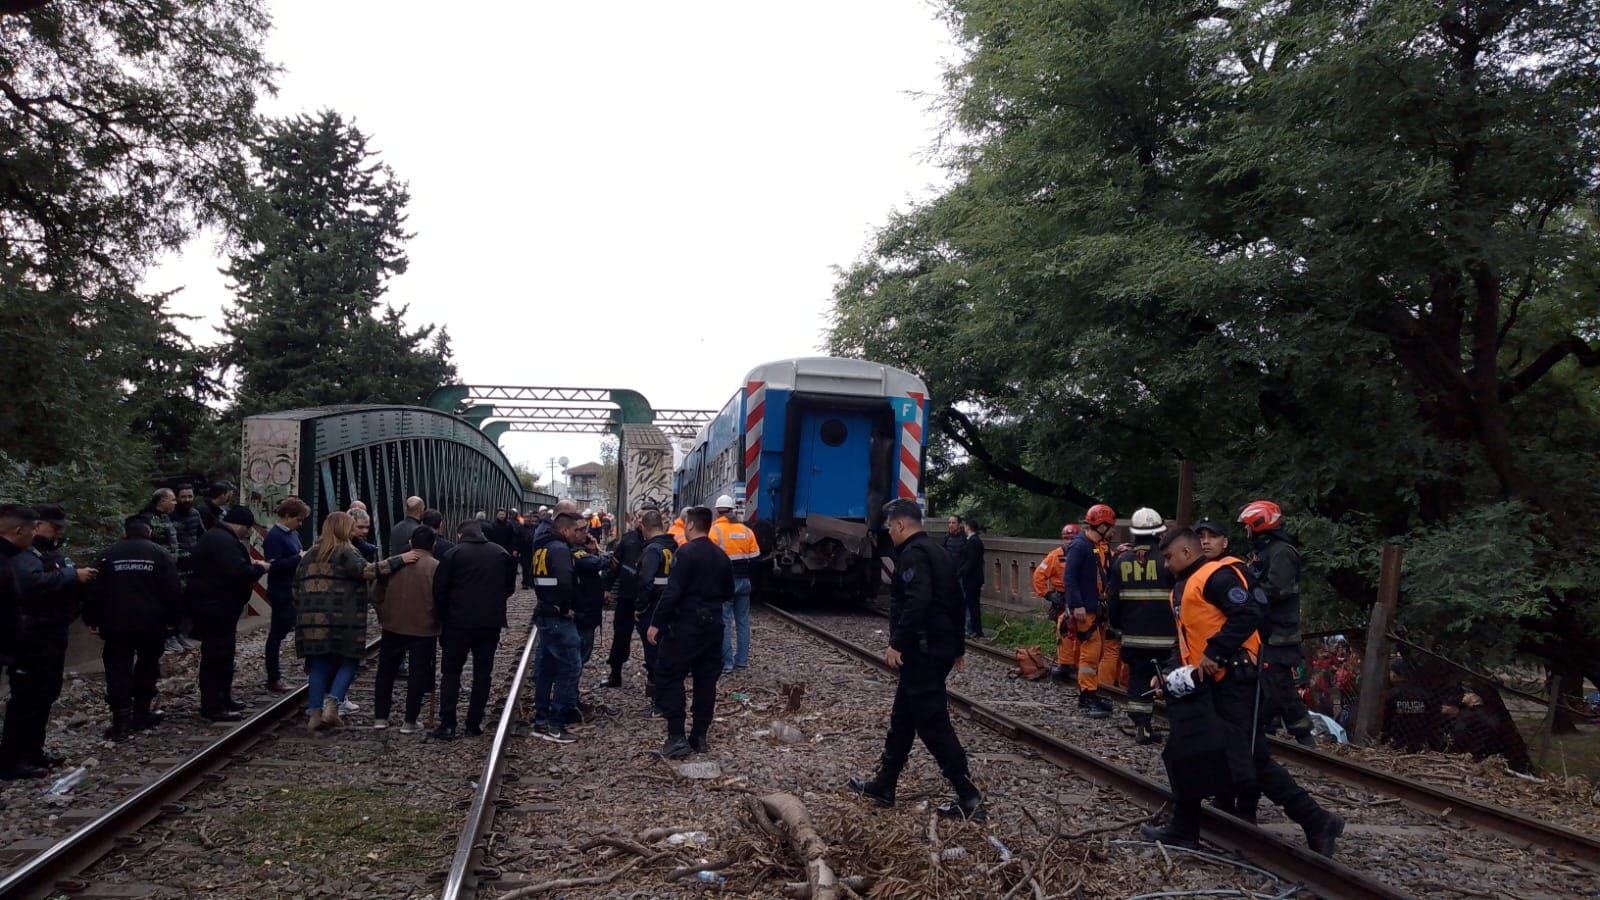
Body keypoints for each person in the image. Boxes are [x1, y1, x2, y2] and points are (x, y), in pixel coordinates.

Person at [1141, 527, 1343, 855]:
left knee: (1247, 758)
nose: (1166, 564)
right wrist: (1168, 672)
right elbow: (1191, 637)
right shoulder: (1185, 586)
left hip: (1232, 683)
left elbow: (1250, 612)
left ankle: (1316, 820)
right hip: (1207, 685)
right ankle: (1185, 826)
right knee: (1186, 752)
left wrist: (1218, 652)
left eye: (1168, 558)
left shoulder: (1216, 576)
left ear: (1186, 554)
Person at [848, 498, 984, 820]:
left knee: (932, 722)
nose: (889, 534)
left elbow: (917, 601)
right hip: (937, 648)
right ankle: (885, 784)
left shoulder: (912, 556)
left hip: (922, 651)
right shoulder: (939, 551)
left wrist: (897, 643)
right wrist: (959, 647)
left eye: (889, 528)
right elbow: (958, 600)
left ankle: (969, 796)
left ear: (899, 525)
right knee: (903, 717)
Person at [0, 505, 95, 777]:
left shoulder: (38, 554)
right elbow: (31, 584)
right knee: (27, 699)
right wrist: (70, 576)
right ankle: (12, 759)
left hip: (47, 633)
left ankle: (31, 752)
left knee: (44, 695)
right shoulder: (18, 557)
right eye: (54, 528)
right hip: (31, 637)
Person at [646, 506, 732, 759]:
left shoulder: (685, 553)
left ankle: (676, 736)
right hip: (714, 624)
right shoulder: (721, 555)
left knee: (669, 673)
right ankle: (700, 735)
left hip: (687, 624)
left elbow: (673, 591)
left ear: (691, 525)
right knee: (706, 680)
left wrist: (656, 623)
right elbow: (728, 592)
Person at [87, 517, 181, 741]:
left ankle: (120, 723)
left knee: (117, 671)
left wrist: (91, 618)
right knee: (147, 667)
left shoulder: (109, 554)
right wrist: (173, 621)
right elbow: (172, 590)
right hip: (151, 624)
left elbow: (95, 588)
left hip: (116, 624)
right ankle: (142, 713)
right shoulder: (160, 554)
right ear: (148, 532)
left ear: (125, 533)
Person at [1239, 500, 1316, 749]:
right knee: (1263, 682)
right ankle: (1260, 728)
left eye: (1248, 526)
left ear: (1259, 524)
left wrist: (1247, 592)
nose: (1246, 532)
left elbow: (1276, 589)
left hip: (1280, 633)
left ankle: (1303, 734)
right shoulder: (1264, 552)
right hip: (1266, 632)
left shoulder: (1281, 552)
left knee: (1278, 684)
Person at [432, 520, 515, 739]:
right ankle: (473, 724)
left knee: (450, 673)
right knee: (482, 674)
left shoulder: (453, 554)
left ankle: (448, 723)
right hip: (489, 623)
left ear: (461, 535)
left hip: (457, 623)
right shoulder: (501, 554)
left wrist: (444, 617)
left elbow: (439, 590)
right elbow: (509, 588)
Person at [187, 506, 270, 722]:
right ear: (241, 525)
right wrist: (261, 569)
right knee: (217, 657)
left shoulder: (216, 537)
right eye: (248, 529)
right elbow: (238, 573)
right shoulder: (223, 541)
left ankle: (223, 699)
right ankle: (213, 705)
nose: (248, 533)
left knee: (221, 656)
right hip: (217, 608)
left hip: (215, 606)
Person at [293, 511, 374, 732]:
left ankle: (314, 714)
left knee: (319, 664)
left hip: (310, 620)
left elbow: (296, 587)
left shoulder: (310, 554)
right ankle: (333, 703)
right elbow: (367, 571)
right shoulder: (346, 552)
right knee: (350, 660)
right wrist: (400, 560)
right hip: (342, 619)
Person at [1105, 508, 1176, 744]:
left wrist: (1117, 627)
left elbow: (1113, 601)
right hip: (1168, 637)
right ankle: (1180, 728)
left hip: (1134, 636)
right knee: (1172, 680)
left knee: (1138, 679)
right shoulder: (1169, 561)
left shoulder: (1121, 561)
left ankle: (1142, 727)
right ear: (1159, 532)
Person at [368, 526, 439, 733]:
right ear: (433, 545)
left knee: (385, 672)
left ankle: (380, 717)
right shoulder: (436, 566)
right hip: (424, 629)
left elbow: (375, 595)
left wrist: (384, 613)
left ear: (410, 542)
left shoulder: (395, 563)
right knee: (418, 675)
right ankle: (409, 721)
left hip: (393, 625)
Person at [529, 511, 587, 742]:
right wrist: (564, 608)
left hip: (544, 612)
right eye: (575, 530)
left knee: (546, 668)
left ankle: (541, 719)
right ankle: (556, 723)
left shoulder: (541, 548)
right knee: (571, 668)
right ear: (564, 530)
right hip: (558, 619)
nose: (578, 534)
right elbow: (564, 581)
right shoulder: (561, 550)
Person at [1063, 503, 1117, 717]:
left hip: (1095, 608)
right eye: (1111, 526)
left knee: (1096, 651)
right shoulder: (1081, 546)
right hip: (1085, 609)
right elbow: (1070, 577)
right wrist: (1076, 605)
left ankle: (1091, 693)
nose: (1113, 531)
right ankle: (1087, 696)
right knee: (1090, 652)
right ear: (1101, 526)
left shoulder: (1097, 547)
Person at [262, 497, 309, 693]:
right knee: (277, 633)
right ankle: (274, 677)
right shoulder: (275, 537)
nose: (300, 524)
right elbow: (273, 565)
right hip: (281, 589)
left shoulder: (292, 534)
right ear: (287, 516)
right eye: (298, 520)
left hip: (293, 588)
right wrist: (298, 558)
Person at [708, 495, 759, 674]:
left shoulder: (714, 531)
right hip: (744, 581)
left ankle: (727, 664)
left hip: (724, 583)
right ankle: (742, 661)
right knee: (743, 622)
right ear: (732, 510)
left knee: (725, 621)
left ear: (717, 511)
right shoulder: (746, 531)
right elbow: (755, 557)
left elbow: (710, 558)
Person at [633, 510, 676, 712]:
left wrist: (640, 607)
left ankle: (659, 701)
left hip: (652, 609)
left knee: (654, 655)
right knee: (666, 653)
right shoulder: (672, 547)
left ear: (644, 527)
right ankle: (666, 696)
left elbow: (645, 581)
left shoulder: (652, 550)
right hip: (669, 607)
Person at [604, 507, 651, 687]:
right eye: (639, 517)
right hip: (626, 597)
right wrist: (606, 587)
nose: (640, 521)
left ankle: (653, 679)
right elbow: (615, 564)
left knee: (651, 639)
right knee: (621, 636)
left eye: (644, 518)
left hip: (648, 600)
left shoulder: (658, 542)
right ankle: (615, 674)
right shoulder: (628, 540)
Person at [1033, 523, 1082, 683]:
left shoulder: (1087, 554)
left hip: (1081, 598)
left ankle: (1077, 664)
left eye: (1072, 538)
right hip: (1062, 599)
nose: (1069, 541)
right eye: (1066, 538)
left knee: (1083, 633)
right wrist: (1047, 594)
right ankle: (1065, 665)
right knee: (1065, 632)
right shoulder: (1055, 556)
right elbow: (1038, 575)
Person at [1383, 658, 1443, 752]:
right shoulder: (1422, 694)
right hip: (1417, 740)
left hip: (1395, 738)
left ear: (1394, 674)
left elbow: (1386, 716)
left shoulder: (1394, 693)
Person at [572, 526, 610, 668]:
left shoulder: (574, 551)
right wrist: (600, 551)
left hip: (586, 606)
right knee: (583, 646)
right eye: (581, 530)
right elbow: (602, 562)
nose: (585, 534)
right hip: (585, 608)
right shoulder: (578, 555)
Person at [958, 519, 986, 637]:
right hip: (972, 577)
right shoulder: (972, 541)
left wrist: (960, 572)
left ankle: (974, 630)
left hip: (972, 578)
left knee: (972, 604)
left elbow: (971, 561)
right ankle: (974, 629)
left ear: (968, 527)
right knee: (971, 603)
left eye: (964, 526)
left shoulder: (973, 541)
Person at [171, 484, 205, 564]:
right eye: (183, 497)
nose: (187, 500)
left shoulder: (195, 513)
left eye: (190, 496)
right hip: (175, 559)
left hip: (193, 557)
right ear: (177, 497)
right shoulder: (169, 515)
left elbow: (202, 534)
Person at [515, 510, 537, 589]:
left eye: (528, 518)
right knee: (525, 567)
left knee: (532, 567)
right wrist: (516, 549)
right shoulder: (520, 528)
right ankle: (525, 582)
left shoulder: (535, 527)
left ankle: (531, 582)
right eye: (526, 518)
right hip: (523, 550)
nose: (527, 519)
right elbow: (516, 539)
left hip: (533, 550)